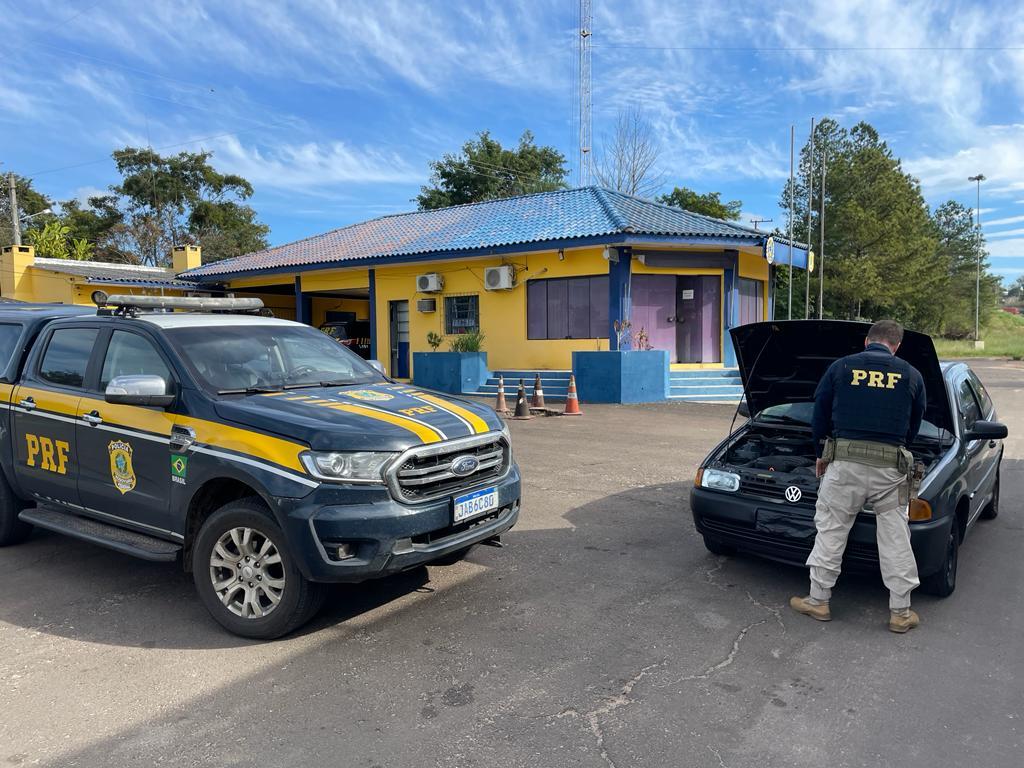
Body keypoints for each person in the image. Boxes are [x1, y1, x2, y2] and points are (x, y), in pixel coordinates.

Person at [790, 319, 927, 633]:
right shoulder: (911, 374)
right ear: (897, 346)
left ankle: (818, 600)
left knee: (831, 530)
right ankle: (901, 612)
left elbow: (820, 413)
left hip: (844, 467)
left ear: (867, 341)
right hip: (891, 470)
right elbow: (914, 424)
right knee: (895, 538)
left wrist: (820, 453)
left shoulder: (841, 367)